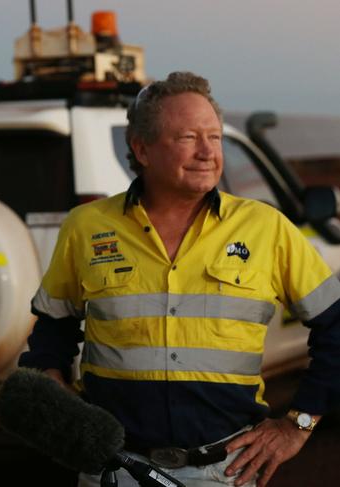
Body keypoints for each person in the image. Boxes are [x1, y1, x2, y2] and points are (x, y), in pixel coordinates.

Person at [19, 71, 340, 487]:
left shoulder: (266, 228)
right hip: (114, 469)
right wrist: (53, 384)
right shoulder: (87, 226)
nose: (207, 152)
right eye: (188, 137)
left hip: (226, 470)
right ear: (142, 149)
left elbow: (336, 325)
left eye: (215, 137)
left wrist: (297, 424)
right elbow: (52, 328)